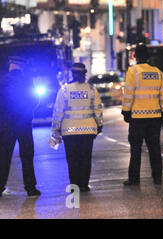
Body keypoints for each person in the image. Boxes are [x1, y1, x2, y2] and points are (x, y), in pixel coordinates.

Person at [51, 63, 103, 192]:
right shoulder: (91, 89)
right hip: (88, 130)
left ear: (72, 74)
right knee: (85, 158)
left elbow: (58, 111)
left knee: (72, 159)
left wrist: (55, 129)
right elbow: (98, 109)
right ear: (84, 74)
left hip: (69, 132)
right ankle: (84, 185)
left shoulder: (64, 90)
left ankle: (74, 186)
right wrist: (99, 124)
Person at [121, 43, 163, 186]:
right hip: (155, 117)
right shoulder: (158, 72)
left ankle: (134, 179)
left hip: (138, 118)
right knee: (155, 148)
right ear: (148, 57)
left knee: (136, 150)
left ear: (135, 56)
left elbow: (128, 93)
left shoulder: (133, 72)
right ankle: (157, 177)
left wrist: (126, 111)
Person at [0, 56, 41, 197]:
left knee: (3, 157)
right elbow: (35, 100)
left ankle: (0, 186)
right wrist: (27, 112)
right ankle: (30, 187)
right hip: (23, 124)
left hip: (6, 125)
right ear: (21, 67)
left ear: (12, 66)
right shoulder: (27, 82)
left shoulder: (2, 80)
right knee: (27, 156)